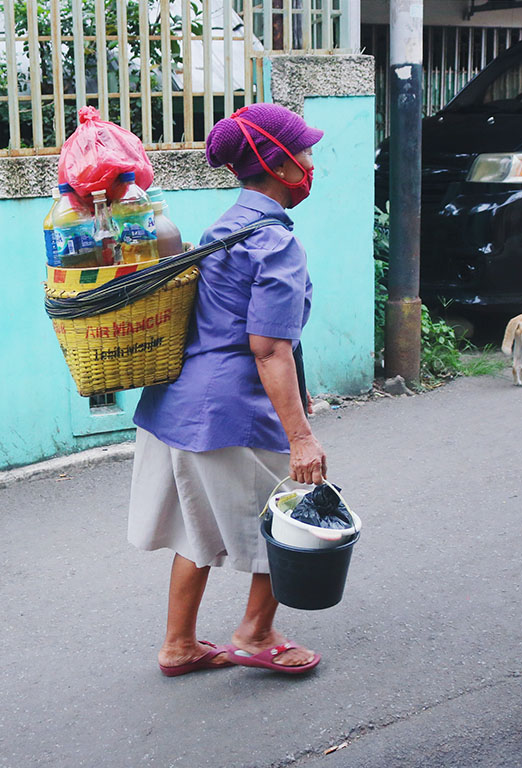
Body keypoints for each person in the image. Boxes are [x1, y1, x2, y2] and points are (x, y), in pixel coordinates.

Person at [128, 103, 328, 677]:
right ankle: (256, 631)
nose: (313, 162)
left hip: (179, 404)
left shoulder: (225, 226)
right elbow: (269, 348)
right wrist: (302, 437)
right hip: (230, 410)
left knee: (198, 526)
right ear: (279, 163)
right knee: (294, 514)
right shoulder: (277, 244)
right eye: (306, 152)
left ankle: (179, 644)